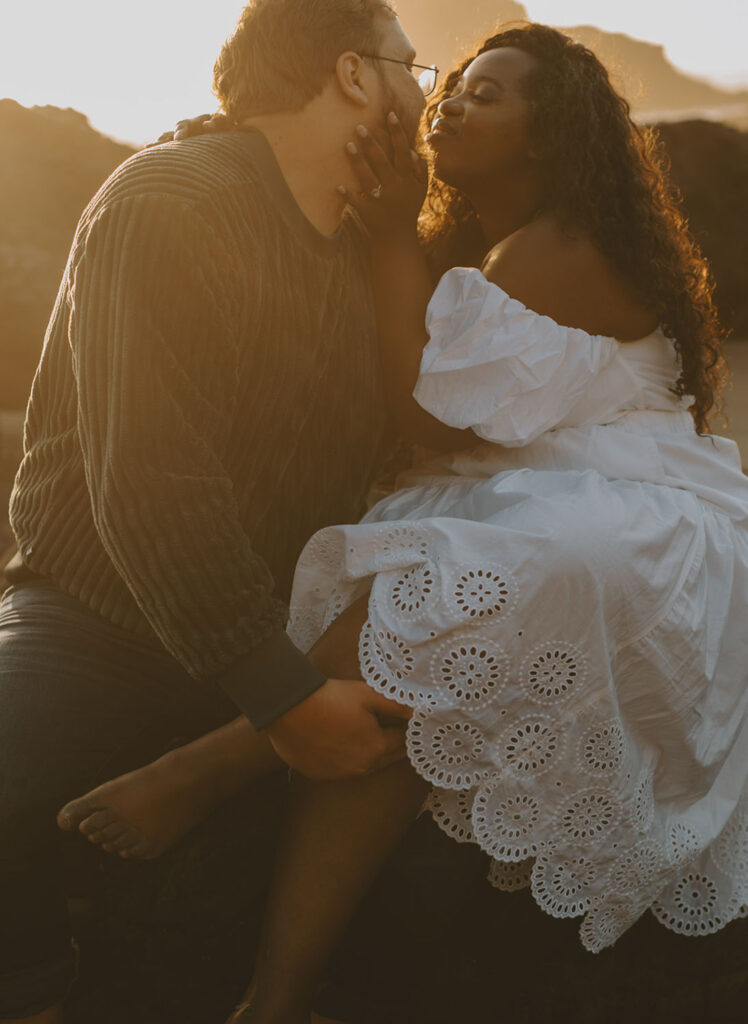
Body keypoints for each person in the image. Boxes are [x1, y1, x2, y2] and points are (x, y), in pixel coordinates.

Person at [57, 22, 748, 1024]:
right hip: (539, 496)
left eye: (490, 93)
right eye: (454, 82)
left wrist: (384, 235)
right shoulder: (477, 247)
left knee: (455, 573)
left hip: (642, 519)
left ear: (548, 139)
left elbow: (426, 413)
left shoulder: (558, 246)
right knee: (414, 688)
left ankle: (208, 763)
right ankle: (276, 997)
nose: (453, 101)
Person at [0, 2, 441, 1021]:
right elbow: (151, 484)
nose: (424, 92)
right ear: (352, 75)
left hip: (273, 637)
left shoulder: (368, 245)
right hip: (96, 621)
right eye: (413, 68)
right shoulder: (173, 199)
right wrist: (282, 698)